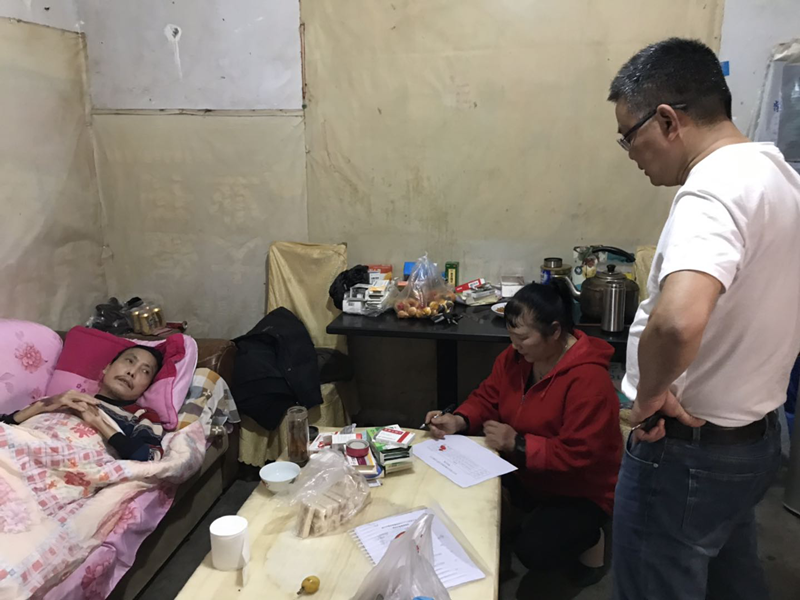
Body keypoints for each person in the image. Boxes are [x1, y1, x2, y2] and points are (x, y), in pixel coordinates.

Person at [608, 38, 800, 600]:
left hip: (688, 450)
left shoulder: (712, 190)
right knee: (731, 580)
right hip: (755, 439)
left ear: (668, 120)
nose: (630, 153)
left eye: (629, 136)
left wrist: (649, 396)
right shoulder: (782, 180)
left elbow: (678, 322)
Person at [425, 283, 622, 583]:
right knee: (455, 494)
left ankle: (593, 538)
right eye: (512, 337)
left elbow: (579, 455)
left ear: (554, 331)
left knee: (534, 551)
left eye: (523, 338)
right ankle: (526, 510)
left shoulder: (589, 380)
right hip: (526, 471)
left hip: (580, 490)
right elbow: (488, 397)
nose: (515, 345)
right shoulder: (515, 358)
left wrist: (517, 443)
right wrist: (459, 420)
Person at [1, 346, 166, 461]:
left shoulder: (141, 416)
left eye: (145, 371)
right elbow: (4, 427)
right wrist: (41, 406)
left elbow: (150, 459)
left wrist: (99, 423)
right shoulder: (66, 398)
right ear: (107, 368)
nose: (131, 372)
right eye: (129, 361)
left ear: (147, 386)